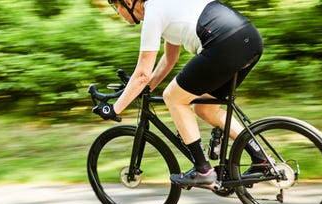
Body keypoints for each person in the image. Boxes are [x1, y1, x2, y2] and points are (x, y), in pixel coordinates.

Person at [93, 0, 266, 189]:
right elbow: (169, 59)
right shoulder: (165, 5)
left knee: (173, 97)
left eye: (115, 6)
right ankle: (261, 159)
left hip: (224, 44)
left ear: (128, 2)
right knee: (205, 109)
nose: (117, 13)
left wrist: (115, 108)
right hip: (248, 38)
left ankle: (203, 171)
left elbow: (142, 74)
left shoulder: (153, 13)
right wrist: (144, 87)